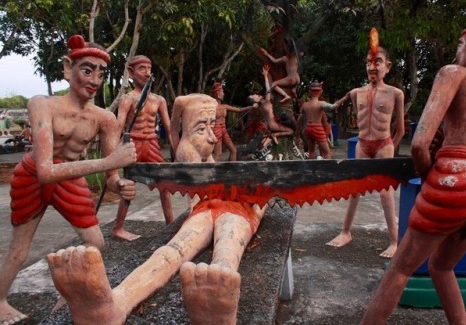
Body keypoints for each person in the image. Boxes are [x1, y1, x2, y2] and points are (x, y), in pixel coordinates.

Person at [47, 93, 267, 325]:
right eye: (203, 129)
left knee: (226, 250)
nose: (212, 137)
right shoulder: (193, 153)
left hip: (240, 211)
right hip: (204, 209)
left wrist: (255, 199)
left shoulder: (213, 157)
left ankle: (218, 294)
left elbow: (262, 203)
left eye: (211, 128)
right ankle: (113, 305)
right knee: (173, 249)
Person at [361, 12, 466, 325]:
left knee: (401, 267)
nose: (457, 51)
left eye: (462, 44)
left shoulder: (454, 74)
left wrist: (429, 180)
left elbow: (421, 142)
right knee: (441, 265)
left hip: (460, 175)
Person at [0, 35, 137, 325]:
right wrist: (108, 163)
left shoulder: (104, 119)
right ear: (67, 68)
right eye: (87, 71)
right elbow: (45, 171)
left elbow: (111, 177)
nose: (95, 80)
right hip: (33, 175)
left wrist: (120, 184)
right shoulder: (42, 104)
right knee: (20, 248)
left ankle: (71, 294)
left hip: (69, 176)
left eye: (101, 74)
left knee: (95, 242)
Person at [326, 30, 405, 258]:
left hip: (384, 144)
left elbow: (399, 129)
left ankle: (394, 241)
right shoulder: (356, 93)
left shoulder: (395, 93)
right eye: (369, 63)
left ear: (387, 66)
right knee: (354, 188)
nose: (372, 67)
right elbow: (333, 106)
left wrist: (390, 148)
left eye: (377, 62)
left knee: (385, 193)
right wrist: (321, 105)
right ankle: (345, 232)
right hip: (362, 144)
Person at [112, 55, 174, 241]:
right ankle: (118, 227)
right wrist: (114, 155)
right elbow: (118, 127)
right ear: (131, 72)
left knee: (164, 184)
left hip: (152, 143)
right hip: (134, 144)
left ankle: (170, 225)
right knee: (129, 185)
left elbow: (169, 129)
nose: (147, 72)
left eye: (149, 68)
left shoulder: (158, 100)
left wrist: (177, 150)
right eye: (141, 68)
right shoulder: (127, 99)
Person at [211, 82, 257, 161]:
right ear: (217, 93)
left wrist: (251, 107)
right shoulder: (211, 106)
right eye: (222, 92)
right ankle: (212, 172)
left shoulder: (224, 106)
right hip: (216, 131)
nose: (224, 94)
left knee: (233, 150)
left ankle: (232, 170)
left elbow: (239, 110)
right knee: (218, 154)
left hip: (224, 130)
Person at [295, 81, 336, 159]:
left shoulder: (306, 105)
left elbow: (299, 121)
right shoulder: (320, 104)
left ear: (310, 91)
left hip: (308, 128)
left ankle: (313, 168)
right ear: (320, 91)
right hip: (317, 128)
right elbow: (325, 122)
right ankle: (327, 169)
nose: (299, 103)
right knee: (326, 152)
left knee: (313, 151)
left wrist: (297, 136)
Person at [259, 38, 301, 103]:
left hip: (291, 79)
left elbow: (274, 61)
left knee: (273, 84)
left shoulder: (286, 58)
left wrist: (266, 54)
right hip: (297, 79)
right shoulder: (295, 56)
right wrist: (266, 53)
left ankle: (285, 95)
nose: (284, 48)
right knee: (293, 89)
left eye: (285, 47)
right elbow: (274, 61)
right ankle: (295, 92)